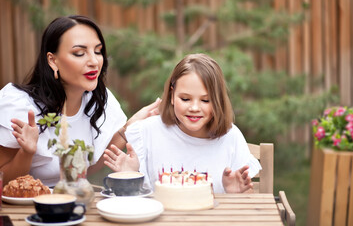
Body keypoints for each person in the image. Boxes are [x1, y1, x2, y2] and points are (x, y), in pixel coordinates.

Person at [0, 15, 160, 186]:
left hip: (70, 203)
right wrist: (26, 152)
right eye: (79, 53)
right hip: (24, 209)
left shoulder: (100, 101)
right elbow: (3, 180)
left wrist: (129, 127)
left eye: (98, 51)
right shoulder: (20, 105)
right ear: (53, 61)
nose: (94, 61)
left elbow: (86, 169)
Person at [104, 53, 262, 193]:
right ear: (172, 96)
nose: (194, 108)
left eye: (205, 100)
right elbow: (135, 203)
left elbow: (248, 204)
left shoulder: (230, 137)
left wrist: (235, 194)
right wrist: (129, 177)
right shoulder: (147, 133)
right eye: (185, 99)